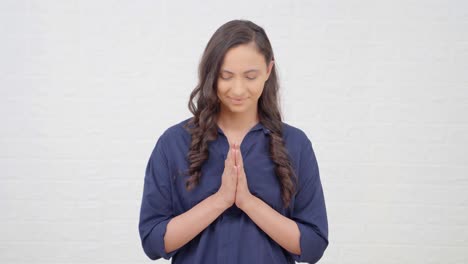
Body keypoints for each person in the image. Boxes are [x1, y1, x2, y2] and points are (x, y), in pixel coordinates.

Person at [138, 19, 329, 264]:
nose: (238, 90)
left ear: (268, 71)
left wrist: (248, 203)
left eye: (250, 76)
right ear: (211, 74)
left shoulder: (296, 144)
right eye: (226, 76)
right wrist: (220, 200)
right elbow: (153, 242)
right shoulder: (173, 142)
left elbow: (313, 245)